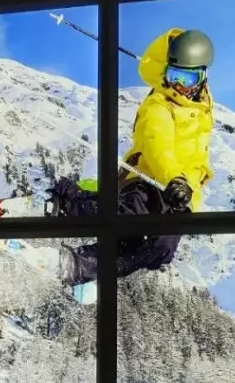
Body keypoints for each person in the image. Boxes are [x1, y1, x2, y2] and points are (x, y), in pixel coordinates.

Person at [49, 27, 215, 286]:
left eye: (187, 79)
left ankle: (80, 265)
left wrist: (188, 191)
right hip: (151, 180)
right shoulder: (158, 104)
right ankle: (66, 200)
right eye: (173, 76)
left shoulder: (203, 105)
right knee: (125, 219)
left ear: (203, 78)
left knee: (159, 250)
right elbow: (156, 145)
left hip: (181, 197)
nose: (179, 86)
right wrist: (174, 179)